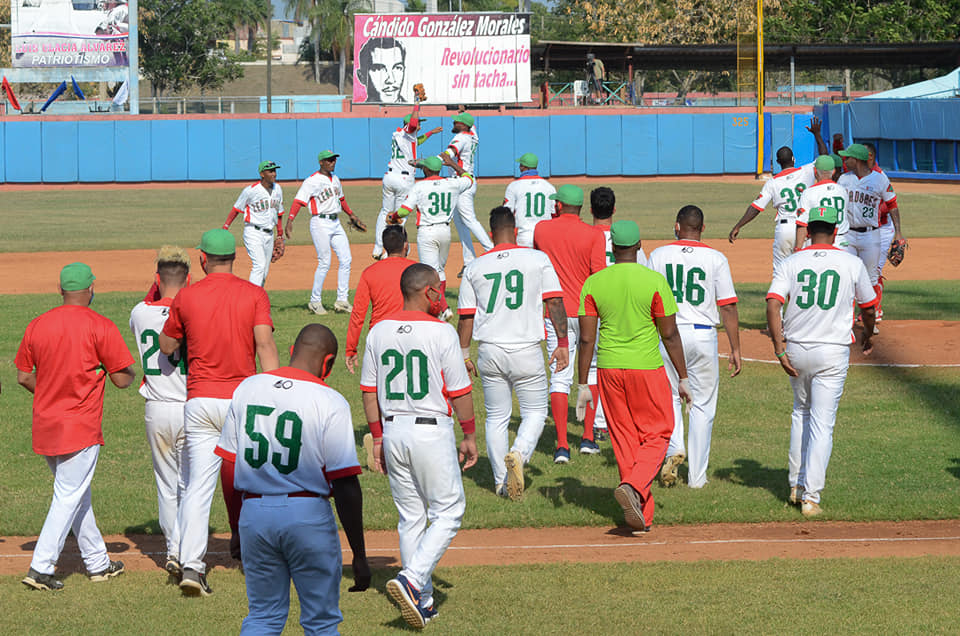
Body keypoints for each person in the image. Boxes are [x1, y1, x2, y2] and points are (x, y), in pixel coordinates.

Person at [216, 324, 371, 634]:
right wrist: (359, 554)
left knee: (262, 617)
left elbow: (229, 467)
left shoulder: (248, 388)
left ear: (291, 352)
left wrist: (236, 527)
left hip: (254, 515)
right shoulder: (331, 401)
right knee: (321, 621)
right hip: (306, 515)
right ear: (327, 363)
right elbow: (344, 484)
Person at [159, 229, 279, 596]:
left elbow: (166, 345)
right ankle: (264, 559)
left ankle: (193, 566)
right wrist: (275, 396)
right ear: (234, 258)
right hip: (244, 400)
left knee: (198, 488)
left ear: (202, 259)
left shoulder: (187, 297)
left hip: (200, 402)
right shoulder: (254, 294)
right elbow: (265, 345)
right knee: (260, 481)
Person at [360, 263, 477, 630]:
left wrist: (377, 437)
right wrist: (470, 434)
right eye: (438, 288)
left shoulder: (378, 331)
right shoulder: (442, 333)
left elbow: (367, 391)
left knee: (411, 515)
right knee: (449, 510)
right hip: (431, 430)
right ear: (427, 291)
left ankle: (422, 601)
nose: (442, 294)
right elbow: (460, 392)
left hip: (393, 430)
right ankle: (412, 580)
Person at [17, 262, 135, 591]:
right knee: (68, 496)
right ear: (91, 289)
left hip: (45, 423)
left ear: (61, 291)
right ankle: (40, 567)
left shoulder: (37, 324)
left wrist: (51, 392)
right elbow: (122, 378)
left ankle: (98, 563)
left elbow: (24, 376)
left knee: (77, 494)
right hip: (79, 427)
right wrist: (126, 374)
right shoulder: (100, 325)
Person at [576, 221, 691, 533]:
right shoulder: (654, 280)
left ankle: (641, 515)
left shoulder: (594, 282)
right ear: (639, 246)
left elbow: (586, 339)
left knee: (625, 439)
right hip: (646, 368)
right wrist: (683, 377)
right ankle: (636, 486)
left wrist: (583, 383)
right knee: (659, 432)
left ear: (612, 248)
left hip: (609, 369)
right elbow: (669, 334)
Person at [766, 206, 877, 516]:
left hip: (798, 347)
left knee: (800, 412)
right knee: (822, 422)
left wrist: (778, 348)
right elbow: (868, 307)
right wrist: (869, 335)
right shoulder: (851, 263)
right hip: (832, 350)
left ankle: (795, 485)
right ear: (836, 229)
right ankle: (811, 497)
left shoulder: (791, 261)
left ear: (810, 229)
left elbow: (773, 304)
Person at [458, 207, 568, 500]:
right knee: (535, 412)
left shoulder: (475, 266)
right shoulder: (537, 258)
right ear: (516, 230)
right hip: (526, 348)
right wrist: (562, 343)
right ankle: (518, 453)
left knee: (495, 418)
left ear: (491, 234)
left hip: (490, 350)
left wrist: (464, 353)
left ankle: (499, 482)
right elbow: (554, 302)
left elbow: (466, 316)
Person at [647, 206, 742, 489]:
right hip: (702, 336)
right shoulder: (716, 258)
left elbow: (650, 300)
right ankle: (697, 479)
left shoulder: (658, 255)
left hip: (667, 335)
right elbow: (728, 305)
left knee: (670, 398)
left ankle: (675, 446)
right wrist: (735, 347)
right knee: (701, 405)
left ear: (677, 226)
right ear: (702, 228)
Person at [532, 184, 607, 463]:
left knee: (559, 376)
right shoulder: (594, 234)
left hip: (556, 313)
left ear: (560, 205)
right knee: (592, 373)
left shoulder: (542, 229)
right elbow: (598, 277)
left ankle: (562, 446)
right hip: (588, 312)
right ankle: (587, 438)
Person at [129, 246, 190, 575]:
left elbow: (152, 299)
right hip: (191, 407)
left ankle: (173, 550)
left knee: (166, 485)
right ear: (189, 278)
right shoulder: (196, 310)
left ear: (156, 279)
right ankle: (190, 553)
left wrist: (158, 286)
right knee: (190, 485)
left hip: (156, 408)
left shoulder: (140, 313)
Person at [582, 187, 648, 448]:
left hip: (594, 307)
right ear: (614, 209)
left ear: (590, 210)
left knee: (596, 368)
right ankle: (619, 422)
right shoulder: (630, 239)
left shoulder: (585, 237)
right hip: (628, 311)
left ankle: (597, 425)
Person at [388, 154, 475, 321]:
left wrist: (393, 216)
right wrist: (453, 164)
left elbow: (405, 211)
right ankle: (439, 308)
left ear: (427, 169)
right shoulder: (452, 183)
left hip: (427, 232)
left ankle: (444, 308)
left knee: (430, 272)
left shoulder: (419, 187)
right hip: (445, 231)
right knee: (439, 271)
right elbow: (469, 178)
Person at [285, 150, 366, 315]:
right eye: (329, 160)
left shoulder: (335, 179)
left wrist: (351, 214)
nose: (333, 162)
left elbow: (341, 200)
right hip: (319, 222)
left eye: (334, 159)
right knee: (325, 262)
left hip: (336, 222)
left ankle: (342, 300)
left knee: (346, 259)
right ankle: (315, 301)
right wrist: (290, 220)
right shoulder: (312, 181)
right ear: (321, 162)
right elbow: (299, 201)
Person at [836, 142, 905, 333]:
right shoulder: (843, 179)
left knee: (871, 278)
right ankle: (846, 322)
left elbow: (892, 205)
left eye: (848, 157)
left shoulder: (880, 180)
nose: (845, 160)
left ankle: (871, 321)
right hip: (847, 234)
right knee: (847, 277)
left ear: (857, 160)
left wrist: (898, 233)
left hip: (871, 235)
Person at [728, 146, 815, 278]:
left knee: (781, 273)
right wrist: (817, 135)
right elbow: (824, 157)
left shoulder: (772, 183)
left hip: (785, 229)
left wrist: (738, 226)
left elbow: (756, 207)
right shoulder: (807, 171)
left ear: (778, 162)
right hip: (804, 228)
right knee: (805, 271)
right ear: (793, 159)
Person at [373, 101, 442, 260]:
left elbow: (417, 141)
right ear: (411, 124)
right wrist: (417, 103)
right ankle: (393, 249)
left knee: (385, 211)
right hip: (403, 179)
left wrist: (430, 133)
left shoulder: (399, 135)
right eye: (419, 124)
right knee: (399, 216)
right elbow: (412, 124)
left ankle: (378, 248)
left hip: (390, 177)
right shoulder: (409, 131)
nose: (419, 126)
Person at [346, 226, 419, 374]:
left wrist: (351, 348)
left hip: (380, 336)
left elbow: (358, 314)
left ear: (384, 247)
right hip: (413, 333)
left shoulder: (369, 272)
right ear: (406, 245)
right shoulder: (418, 270)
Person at [441, 111, 492, 269]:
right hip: (465, 181)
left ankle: (491, 251)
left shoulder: (461, 137)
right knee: (461, 224)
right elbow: (473, 126)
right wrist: (463, 110)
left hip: (462, 182)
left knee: (469, 220)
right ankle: (469, 261)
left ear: (463, 126)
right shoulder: (472, 136)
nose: (454, 123)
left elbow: (449, 154)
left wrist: (430, 162)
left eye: (456, 121)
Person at [222, 160, 284, 287]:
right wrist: (225, 227)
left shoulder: (278, 189)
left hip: (269, 234)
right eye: (270, 171)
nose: (274, 174)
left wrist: (280, 234)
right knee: (259, 266)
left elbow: (279, 213)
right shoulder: (250, 191)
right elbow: (236, 209)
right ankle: (251, 299)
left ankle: (257, 301)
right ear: (262, 174)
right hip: (253, 232)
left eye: (275, 171)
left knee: (264, 271)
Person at [863, 142, 893, 321]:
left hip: (882, 230)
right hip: (866, 231)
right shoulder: (860, 174)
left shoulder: (880, 177)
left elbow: (888, 207)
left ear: (870, 157)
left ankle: (876, 309)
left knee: (874, 271)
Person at [795, 155, 850, 251]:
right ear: (833, 172)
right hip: (842, 241)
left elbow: (802, 224)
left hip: (817, 241)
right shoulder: (843, 191)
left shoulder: (808, 193)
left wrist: (798, 248)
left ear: (815, 171)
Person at [502, 152, 556, 247]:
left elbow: (506, 214)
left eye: (520, 165)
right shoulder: (549, 187)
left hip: (524, 237)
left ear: (523, 167)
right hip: (545, 238)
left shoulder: (514, 186)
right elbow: (554, 214)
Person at [357, 37, 407, 103]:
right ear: (361, 77)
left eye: (398, 68)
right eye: (379, 69)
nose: (391, 80)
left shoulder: (412, 108)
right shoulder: (361, 112)